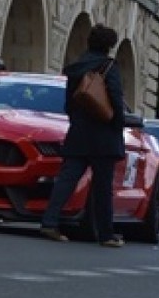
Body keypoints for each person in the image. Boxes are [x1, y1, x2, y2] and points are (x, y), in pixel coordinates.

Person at [39, 23, 126, 247]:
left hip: (79, 132)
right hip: (104, 135)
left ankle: (49, 222)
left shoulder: (76, 67)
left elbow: (69, 102)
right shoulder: (108, 67)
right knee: (102, 187)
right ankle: (106, 234)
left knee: (67, 179)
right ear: (109, 46)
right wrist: (118, 124)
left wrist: (76, 120)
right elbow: (115, 99)